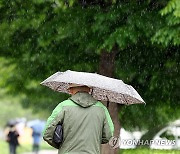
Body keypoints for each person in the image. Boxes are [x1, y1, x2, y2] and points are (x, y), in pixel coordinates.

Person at [43, 83, 114, 154]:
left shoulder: (63, 106)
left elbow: (47, 133)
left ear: (71, 90)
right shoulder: (101, 108)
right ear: (89, 89)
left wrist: (62, 146)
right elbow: (108, 135)